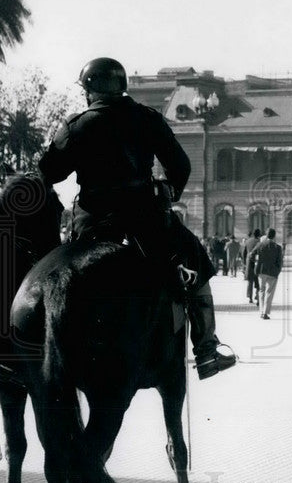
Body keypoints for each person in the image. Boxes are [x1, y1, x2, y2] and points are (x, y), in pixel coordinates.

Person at [38, 57, 234, 379]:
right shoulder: (147, 118)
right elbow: (181, 166)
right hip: (145, 218)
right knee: (194, 260)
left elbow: (49, 172)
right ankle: (206, 350)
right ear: (122, 87)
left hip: (92, 222)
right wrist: (168, 189)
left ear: (89, 90)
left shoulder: (77, 125)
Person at [255, 228, 283, 319]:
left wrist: (256, 265)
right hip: (272, 272)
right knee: (269, 292)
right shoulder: (278, 247)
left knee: (261, 291)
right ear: (274, 236)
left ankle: (261, 312)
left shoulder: (260, 245)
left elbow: (251, 255)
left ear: (266, 235)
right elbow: (280, 261)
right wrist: (278, 271)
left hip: (261, 271)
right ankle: (265, 313)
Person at [244, 228, 263, 304]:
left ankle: (250, 297)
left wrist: (244, 262)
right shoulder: (259, 242)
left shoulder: (248, 241)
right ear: (259, 235)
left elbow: (244, 253)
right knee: (257, 281)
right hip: (257, 263)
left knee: (250, 281)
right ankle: (257, 297)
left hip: (249, 262)